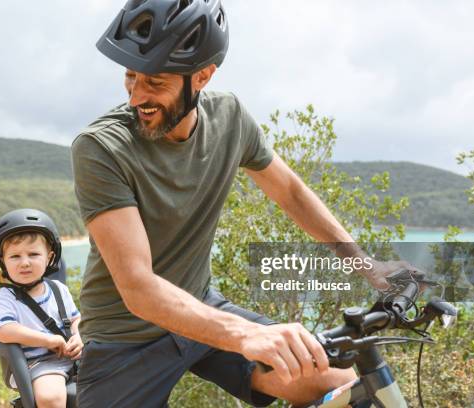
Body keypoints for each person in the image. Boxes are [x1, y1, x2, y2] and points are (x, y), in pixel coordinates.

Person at [72, 1, 410, 406]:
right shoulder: (100, 148)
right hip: (123, 339)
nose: (136, 97)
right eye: (130, 77)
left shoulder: (229, 117)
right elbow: (138, 287)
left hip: (201, 307)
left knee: (342, 383)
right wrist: (247, 335)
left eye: (156, 83)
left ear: (202, 76)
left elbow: (290, 192)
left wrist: (366, 265)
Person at [0, 209, 83, 408]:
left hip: (74, 357)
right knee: (50, 398)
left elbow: (76, 319)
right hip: (39, 364)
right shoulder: (6, 298)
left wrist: (79, 336)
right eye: (15, 256)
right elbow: (3, 330)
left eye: (33, 254)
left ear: (49, 257)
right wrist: (46, 339)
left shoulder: (58, 290)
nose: (25, 262)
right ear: (3, 261)